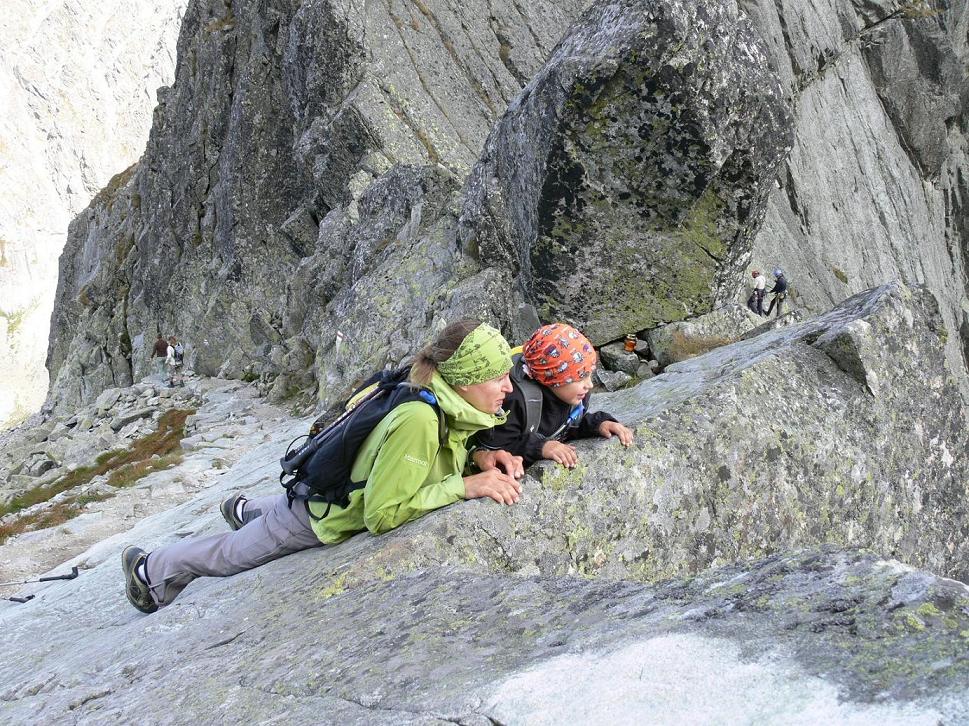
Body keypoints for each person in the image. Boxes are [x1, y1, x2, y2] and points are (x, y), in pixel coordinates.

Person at [121, 320, 524, 613]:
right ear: (466, 380)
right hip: (317, 515)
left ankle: (244, 509)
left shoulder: (445, 401)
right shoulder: (419, 419)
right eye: (498, 377)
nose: (509, 387)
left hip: (324, 492)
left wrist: (478, 457)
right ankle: (150, 570)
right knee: (230, 555)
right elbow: (382, 515)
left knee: (272, 516)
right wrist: (466, 487)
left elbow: (426, 460)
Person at [472, 323, 633, 470]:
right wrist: (541, 447)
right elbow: (497, 451)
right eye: (579, 377)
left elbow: (570, 425)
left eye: (589, 375)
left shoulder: (576, 395)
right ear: (552, 378)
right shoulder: (515, 400)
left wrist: (599, 423)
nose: (589, 384)